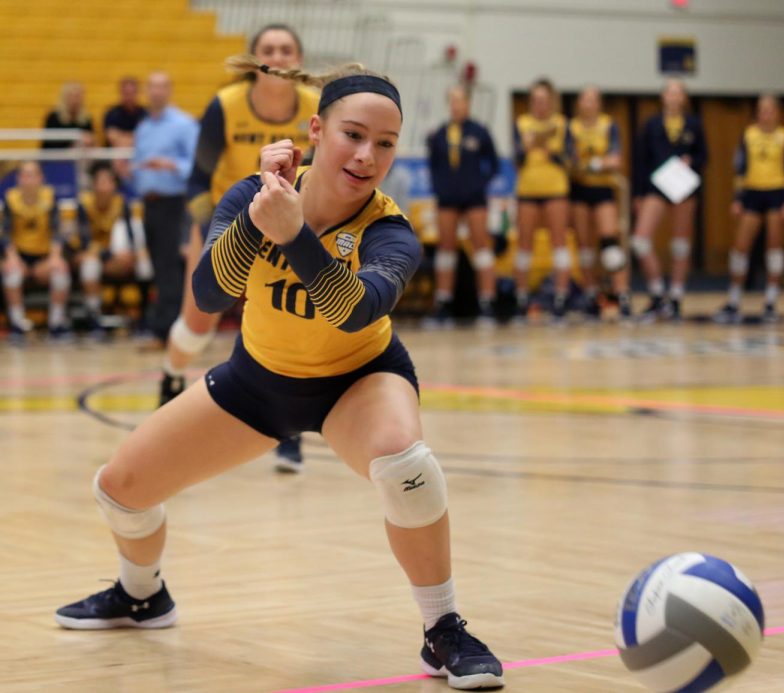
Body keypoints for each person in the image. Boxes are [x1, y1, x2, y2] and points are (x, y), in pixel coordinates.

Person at [54, 63, 504, 690]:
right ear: (316, 129)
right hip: (255, 384)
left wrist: (293, 235)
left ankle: (444, 628)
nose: (367, 155)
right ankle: (141, 595)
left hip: (358, 381)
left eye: (385, 143)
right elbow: (210, 294)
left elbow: (351, 313)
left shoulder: (391, 232)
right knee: (118, 489)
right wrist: (259, 216)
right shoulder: (251, 195)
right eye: (353, 134)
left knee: (408, 467)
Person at [158, 24, 319, 473]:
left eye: (287, 48)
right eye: (268, 49)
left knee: (294, 327)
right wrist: (217, 233)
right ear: (254, 60)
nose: (278, 55)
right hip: (226, 219)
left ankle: (290, 435)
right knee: (196, 325)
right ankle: (171, 374)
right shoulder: (225, 105)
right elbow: (196, 180)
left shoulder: (315, 108)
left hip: (289, 222)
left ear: (299, 58)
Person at [713, 95, 784, 324]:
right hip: (752, 193)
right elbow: (740, 167)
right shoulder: (748, 135)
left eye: (770, 110)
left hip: (777, 193)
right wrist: (737, 198)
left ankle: (770, 301)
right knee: (740, 247)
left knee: (774, 248)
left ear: (777, 113)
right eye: (762, 110)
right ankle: (734, 299)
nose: (766, 114)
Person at [131, 72, 199, 346]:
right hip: (150, 205)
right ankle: (164, 328)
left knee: (171, 268)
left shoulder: (183, 125)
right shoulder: (144, 127)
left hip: (174, 204)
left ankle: (168, 333)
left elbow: (195, 165)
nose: (156, 92)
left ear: (169, 91)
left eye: (161, 87)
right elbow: (139, 165)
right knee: (159, 268)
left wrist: (171, 165)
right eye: (152, 87)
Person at [424, 85, 500, 326]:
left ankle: (487, 303)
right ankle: (443, 303)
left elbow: (494, 163)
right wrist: (440, 188)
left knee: (481, 248)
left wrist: (480, 184)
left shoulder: (479, 131)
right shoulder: (440, 134)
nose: (457, 105)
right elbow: (434, 165)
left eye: (461, 101)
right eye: (453, 101)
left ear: (468, 104)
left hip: (475, 199)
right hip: (447, 199)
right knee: (446, 250)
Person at [632, 79, 707, 322]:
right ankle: (657, 292)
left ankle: (675, 296)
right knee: (641, 240)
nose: (674, 97)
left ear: (684, 98)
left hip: (683, 186)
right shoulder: (652, 124)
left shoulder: (694, 124)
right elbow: (641, 160)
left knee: (680, 244)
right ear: (663, 96)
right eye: (670, 92)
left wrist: (691, 162)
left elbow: (704, 155)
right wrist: (639, 193)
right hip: (656, 186)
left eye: (678, 93)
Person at [513, 78, 573, 321]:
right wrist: (526, 148)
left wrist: (552, 150)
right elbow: (516, 159)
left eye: (544, 100)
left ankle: (560, 298)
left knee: (559, 243)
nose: (540, 105)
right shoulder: (522, 123)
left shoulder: (561, 124)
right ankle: (522, 298)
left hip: (555, 189)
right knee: (524, 244)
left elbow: (570, 160)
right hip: (528, 189)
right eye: (536, 100)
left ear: (552, 101)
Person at [569, 86, 631, 320]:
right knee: (584, 248)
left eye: (593, 99)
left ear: (599, 103)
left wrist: (593, 164)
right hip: (579, 190)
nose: (589, 104)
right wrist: (591, 164)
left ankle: (622, 294)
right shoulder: (572, 127)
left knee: (611, 245)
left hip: (603, 188)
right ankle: (591, 295)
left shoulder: (608, 125)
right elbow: (570, 159)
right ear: (579, 103)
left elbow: (616, 159)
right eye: (585, 99)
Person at [68, 161, 146, 333]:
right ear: (93, 185)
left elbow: (130, 236)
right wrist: (110, 255)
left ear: (114, 184)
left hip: (113, 257)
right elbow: (85, 241)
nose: (104, 187)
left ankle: (142, 317)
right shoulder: (84, 203)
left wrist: (130, 253)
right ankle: (94, 317)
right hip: (89, 254)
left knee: (142, 264)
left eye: (108, 182)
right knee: (90, 265)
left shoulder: (121, 203)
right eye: (100, 182)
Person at [0, 161, 72, 338]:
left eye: (32, 175)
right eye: (24, 175)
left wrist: (55, 257)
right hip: (20, 254)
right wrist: (12, 258)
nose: (28, 180)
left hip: (44, 256)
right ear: (18, 179)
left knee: (60, 271)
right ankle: (17, 325)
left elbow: (57, 230)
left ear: (41, 178)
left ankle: (56, 324)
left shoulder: (49, 197)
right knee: (11, 274)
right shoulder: (11, 199)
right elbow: (5, 233)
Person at [41, 82, 95, 149]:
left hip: (78, 155)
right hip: (55, 155)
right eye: (71, 96)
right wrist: (73, 144)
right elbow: (48, 143)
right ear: (64, 97)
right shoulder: (53, 117)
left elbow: (91, 141)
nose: (75, 100)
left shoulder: (86, 119)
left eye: (77, 96)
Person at [103, 77, 147, 147]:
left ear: (137, 93)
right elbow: (113, 138)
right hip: (116, 155)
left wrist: (122, 135)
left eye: (132, 93)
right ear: (121, 93)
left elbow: (148, 137)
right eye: (126, 93)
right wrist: (135, 136)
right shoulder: (112, 113)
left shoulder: (146, 114)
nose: (129, 97)